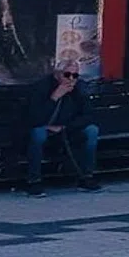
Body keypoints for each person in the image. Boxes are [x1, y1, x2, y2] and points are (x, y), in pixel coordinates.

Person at [25, 67, 100, 196]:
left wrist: (65, 127)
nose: (71, 79)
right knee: (38, 134)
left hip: (68, 128)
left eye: (75, 75)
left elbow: (88, 115)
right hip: (43, 127)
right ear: (57, 74)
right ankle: (34, 180)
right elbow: (34, 118)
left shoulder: (79, 89)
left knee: (92, 130)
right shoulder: (40, 88)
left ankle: (86, 176)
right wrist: (54, 98)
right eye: (67, 75)